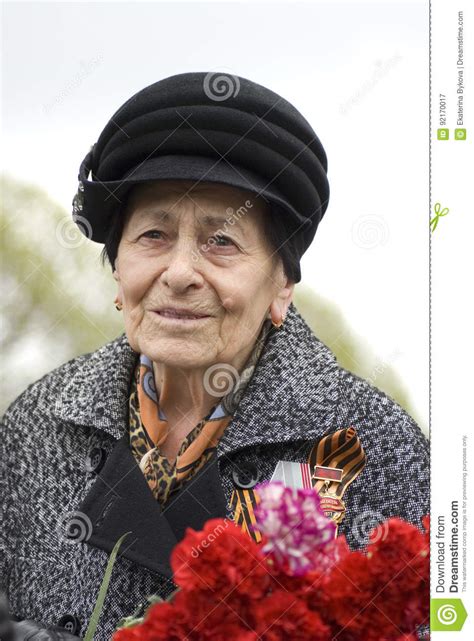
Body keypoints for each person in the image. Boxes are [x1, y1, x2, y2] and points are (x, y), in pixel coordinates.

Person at [0, 71, 429, 641]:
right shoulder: (37, 424)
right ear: (117, 268)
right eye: (153, 234)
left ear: (281, 285)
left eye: (220, 241)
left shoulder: (374, 443)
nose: (178, 274)